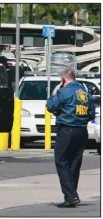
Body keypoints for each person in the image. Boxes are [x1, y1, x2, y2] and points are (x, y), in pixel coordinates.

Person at [46, 69, 95, 208]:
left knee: (61, 162)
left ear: (63, 80)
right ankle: (71, 195)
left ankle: (71, 195)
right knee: (74, 163)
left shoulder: (64, 91)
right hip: (82, 131)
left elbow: (50, 106)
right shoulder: (85, 92)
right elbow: (91, 114)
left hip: (67, 129)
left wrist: (55, 92)